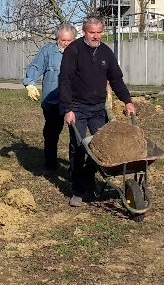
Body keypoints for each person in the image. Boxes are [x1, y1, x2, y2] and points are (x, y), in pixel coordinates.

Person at [59, 14, 135, 207]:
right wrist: (68, 109)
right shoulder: (73, 51)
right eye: (92, 32)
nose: (95, 36)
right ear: (84, 32)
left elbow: (116, 79)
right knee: (78, 146)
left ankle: (87, 175)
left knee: (102, 147)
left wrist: (127, 101)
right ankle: (77, 190)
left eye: (99, 32)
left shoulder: (106, 53)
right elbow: (65, 82)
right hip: (77, 107)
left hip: (97, 108)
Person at [23, 23, 76, 174]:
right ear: (57, 38)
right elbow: (35, 67)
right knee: (51, 135)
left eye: (69, 41)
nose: (66, 44)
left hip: (73, 101)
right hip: (52, 100)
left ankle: (74, 168)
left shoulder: (79, 52)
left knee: (76, 136)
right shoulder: (47, 51)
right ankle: (51, 164)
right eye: (63, 40)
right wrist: (30, 83)